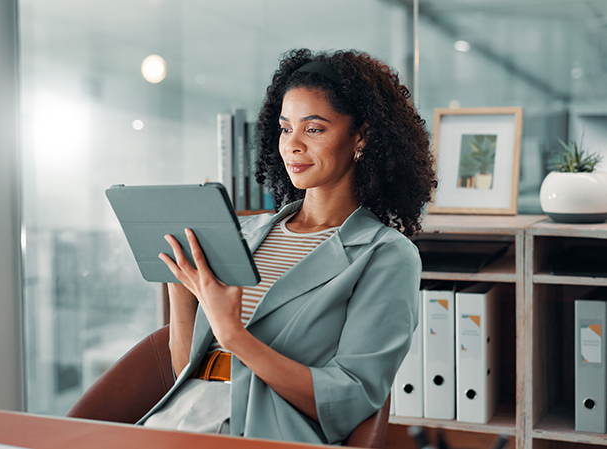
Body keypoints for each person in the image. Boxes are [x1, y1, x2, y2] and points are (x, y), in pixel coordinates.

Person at [139, 48, 437, 445]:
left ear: (361, 136)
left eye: (313, 129)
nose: (292, 145)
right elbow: (186, 374)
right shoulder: (243, 234)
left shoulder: (385, 255)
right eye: (285, 128)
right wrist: (180, 287)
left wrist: (234, 337)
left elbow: (351, 400)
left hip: (264, 433)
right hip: (179, 420)